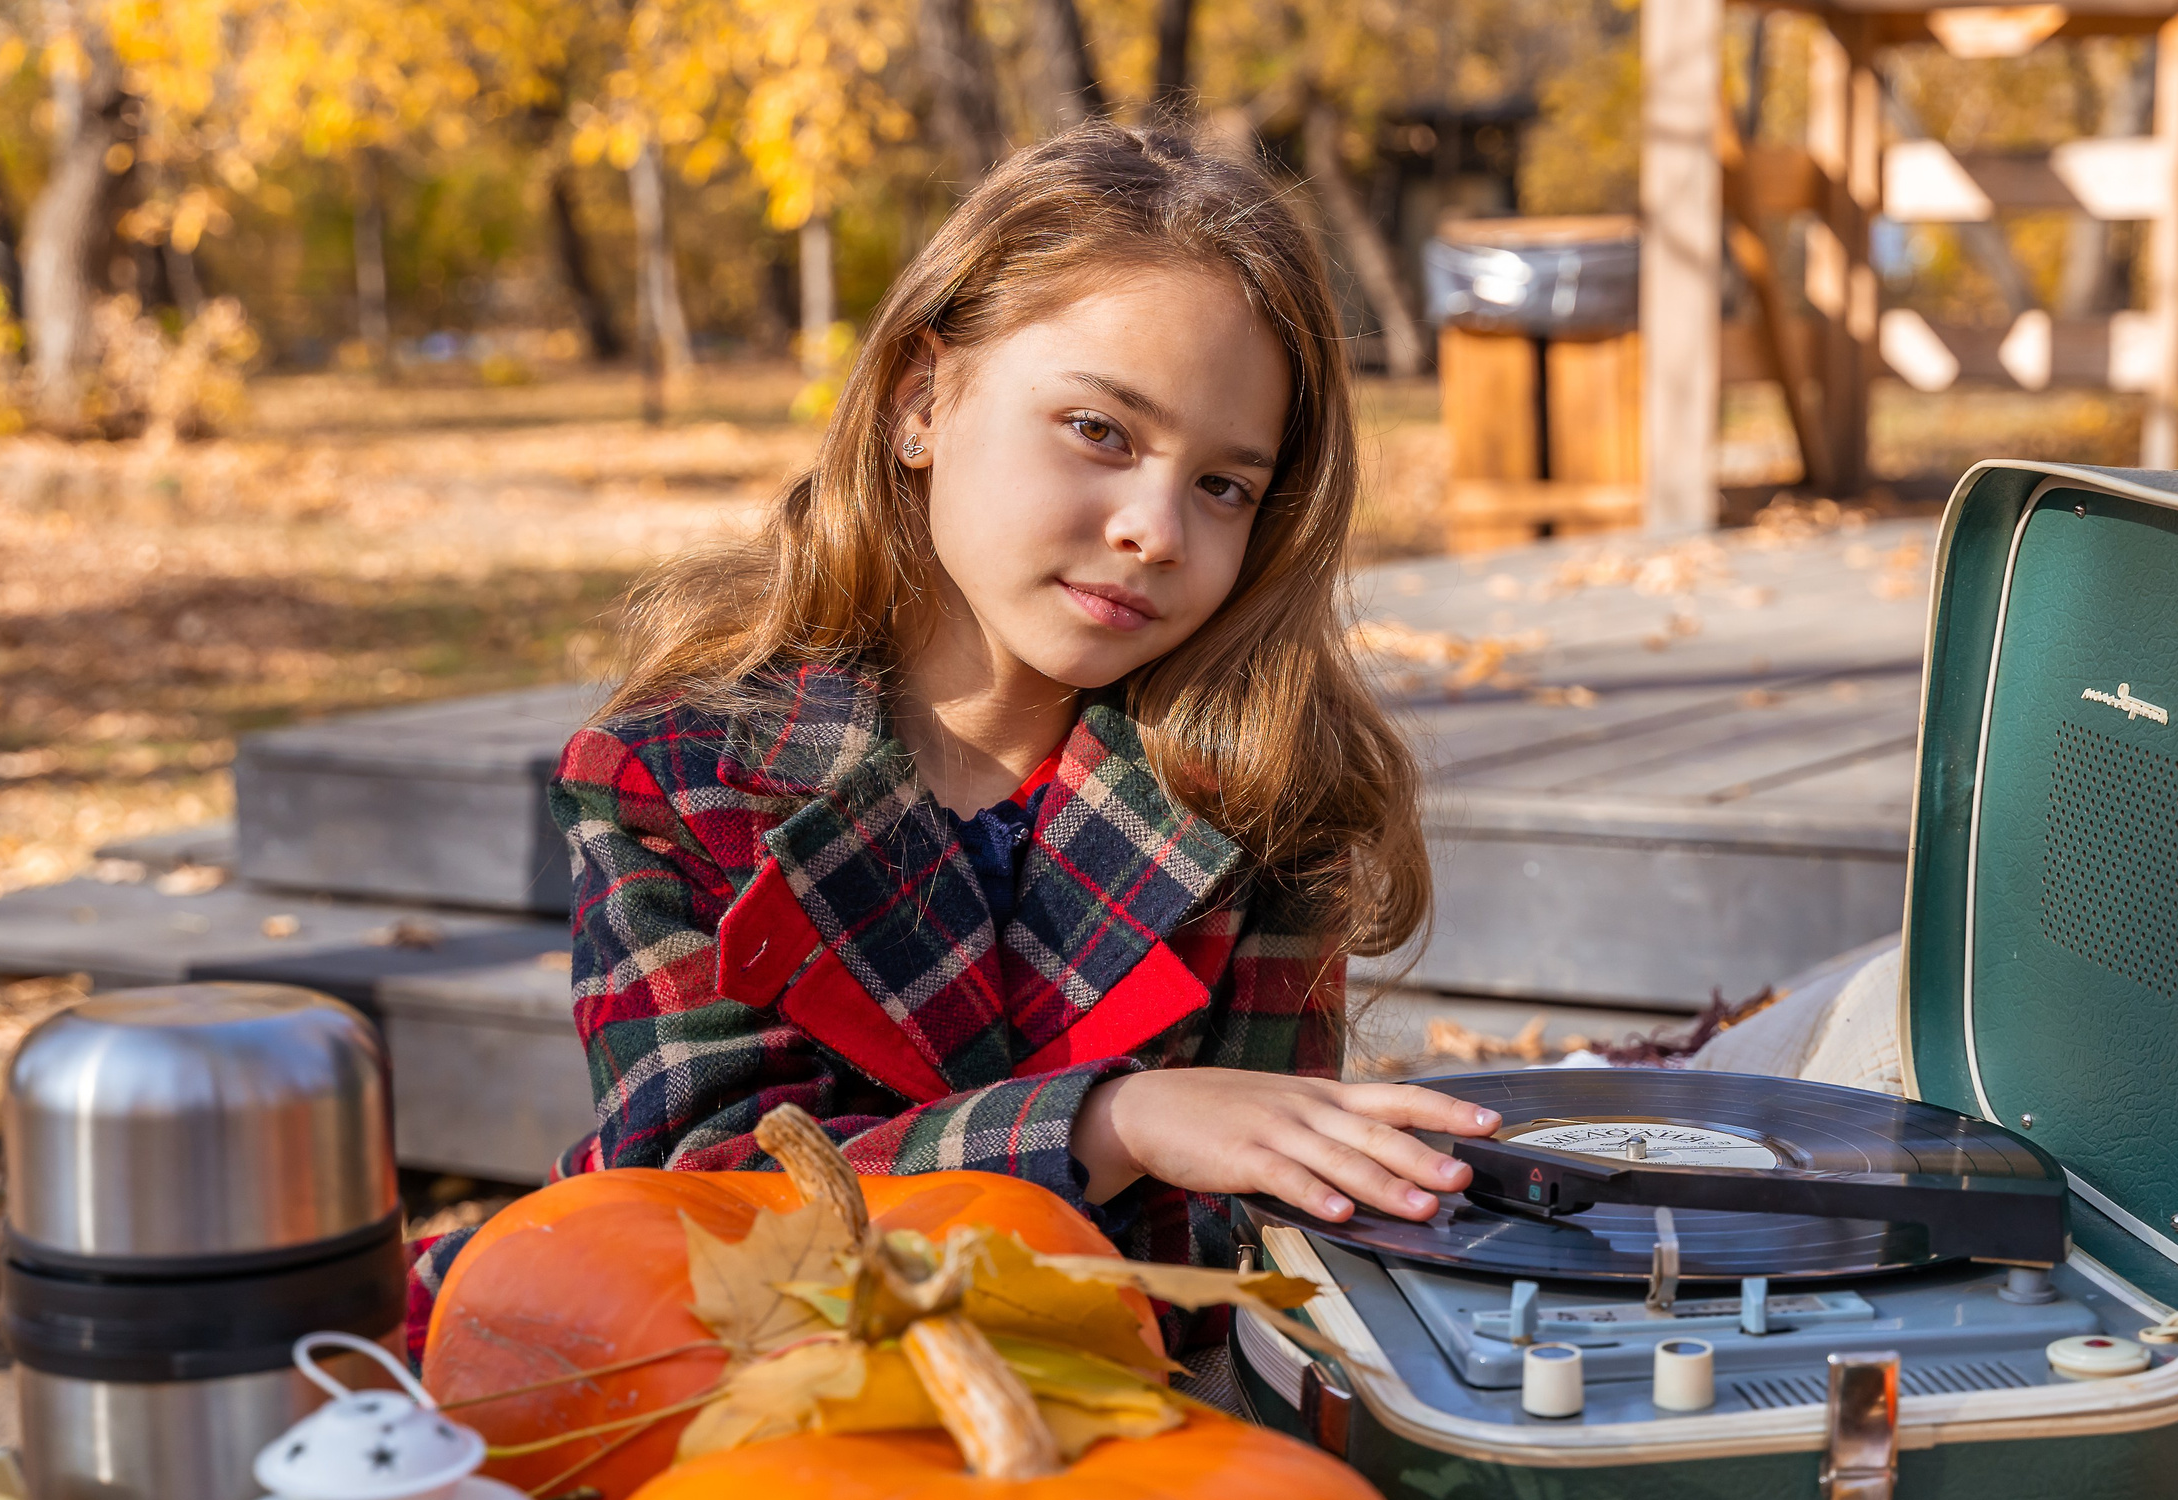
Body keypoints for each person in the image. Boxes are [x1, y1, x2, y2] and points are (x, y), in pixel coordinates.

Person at [406, 123, 1497, 1367]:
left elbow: (1232, 1266)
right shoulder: (682, 777)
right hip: (673, 1388)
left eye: (1223, 486)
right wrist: (1110, 1121)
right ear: (922, 401)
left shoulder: (1259, 795)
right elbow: (717, 1219)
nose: (1155, 529)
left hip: (1098, 1401)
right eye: (1099, 429)